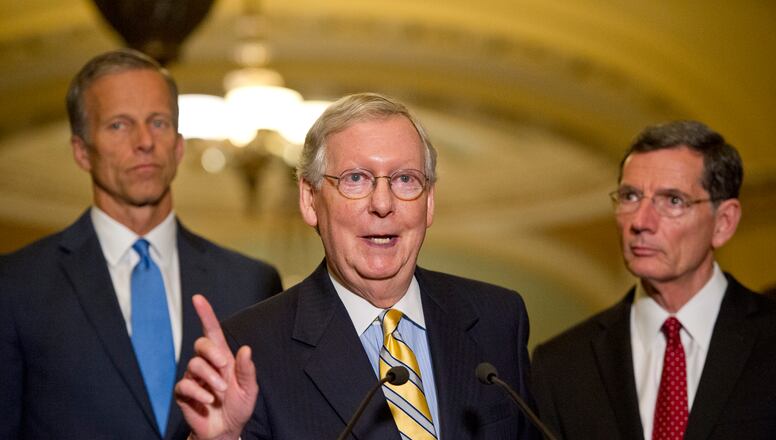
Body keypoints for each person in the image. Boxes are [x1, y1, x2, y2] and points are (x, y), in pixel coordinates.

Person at [173, 93, 535, 439]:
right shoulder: (250, 347)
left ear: (429, 203)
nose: (382, 203)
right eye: (355, 179)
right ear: (310, 200)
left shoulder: (498, 319)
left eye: (405, 179)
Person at [0, 49, 282, 440]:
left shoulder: (251, 283)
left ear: (179, 146)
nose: (145, 141)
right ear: (82, 151)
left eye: (159, 122)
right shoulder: (15, 286)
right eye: (119, 125)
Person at [531, 120, 776, 439]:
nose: (641, 221)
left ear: (723, 222)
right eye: (630, 196)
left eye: (673, 201)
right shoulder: (562, 364)